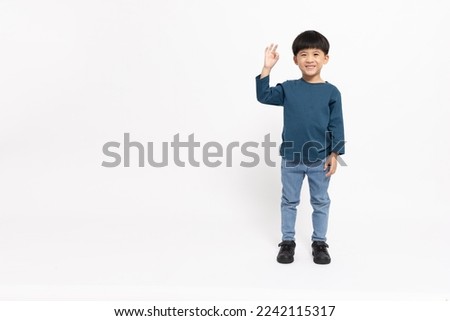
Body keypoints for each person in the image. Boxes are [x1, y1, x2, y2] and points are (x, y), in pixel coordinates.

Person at [255, 30, 345, 265]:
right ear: (295, 59)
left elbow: (337, 124)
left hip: (320, 159)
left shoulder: (331, 92)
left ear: (326, 58)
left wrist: (334, 153)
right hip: (292, 159)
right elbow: (264, 96)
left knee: (321, 202)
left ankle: (320, 242)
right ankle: (287, 242)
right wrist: (267, 69)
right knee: (289, 201)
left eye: (316, 53)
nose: (310, 59)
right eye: (303, 54)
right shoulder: (288, 88)